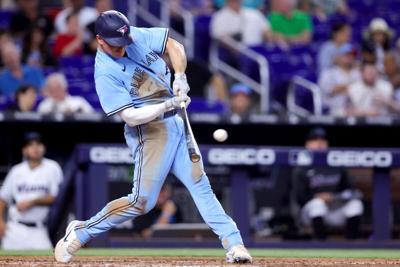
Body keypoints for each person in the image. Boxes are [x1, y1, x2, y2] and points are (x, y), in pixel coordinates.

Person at [54, 10, 252, 264]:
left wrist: (180, 76)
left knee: (200, 184)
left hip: (177, 123)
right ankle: (82, 231)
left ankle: (233, 243)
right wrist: (167, 105)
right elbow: (130, 117)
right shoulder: (105, 72)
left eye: (123, 42)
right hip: (150, 131)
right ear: (99, 40)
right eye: (114, 45)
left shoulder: (130, 36)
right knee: (141, 202)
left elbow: (173, 45)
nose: (121, 48)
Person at [292, 127, 364, 240]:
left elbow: (353, 192)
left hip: (336, 210)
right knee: (317, 204)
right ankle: (320, 243)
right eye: (315, 140)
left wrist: (334, 197)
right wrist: (318, 197)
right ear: (307, 144)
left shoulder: (338, 165)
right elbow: (300, 198)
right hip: (312, 213)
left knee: (356, 204)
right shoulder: (302, 168)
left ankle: (352, 244)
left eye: (323, 140)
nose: (320, 143)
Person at [0, 132, 63, 249]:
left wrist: (32, 202)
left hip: (38, 229)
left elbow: (55, 197)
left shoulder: (52, 167)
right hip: (15, 228)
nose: (35, 148)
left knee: (48, 260)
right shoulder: (16, 171)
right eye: (31, 145)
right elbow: (3, 198)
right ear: (25, 150)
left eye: (38, 144)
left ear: (43, 148)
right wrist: (0, 221)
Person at [318, 43, 360, 116]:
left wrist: (341, 88)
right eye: (347, 55)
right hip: (332, 111)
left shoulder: (358, 73)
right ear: (338, 57)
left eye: (352, 55)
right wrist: (350, 86)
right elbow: (328, 90)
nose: (350, 57)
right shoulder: (329, 73)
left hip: (356, 111)